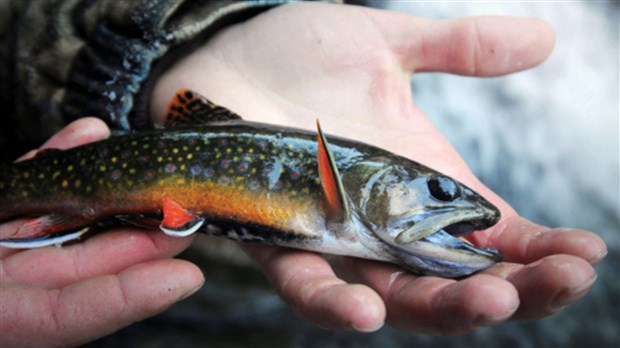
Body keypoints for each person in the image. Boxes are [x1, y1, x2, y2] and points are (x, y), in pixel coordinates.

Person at [0, 2, 607, 346]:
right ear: (361, 186)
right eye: (439, 192)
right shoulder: (335, 189)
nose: (454, 205)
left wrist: (175, 51)